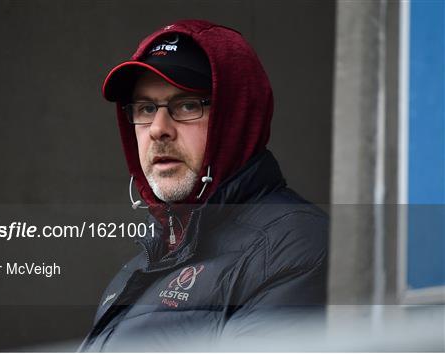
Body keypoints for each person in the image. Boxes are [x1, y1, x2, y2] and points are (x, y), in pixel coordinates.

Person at [79, 19, 328, 352]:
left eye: (187, 105)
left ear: (236, 118)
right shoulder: (142, 265)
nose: (158, 129)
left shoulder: (293, 251)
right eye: (146, 108)